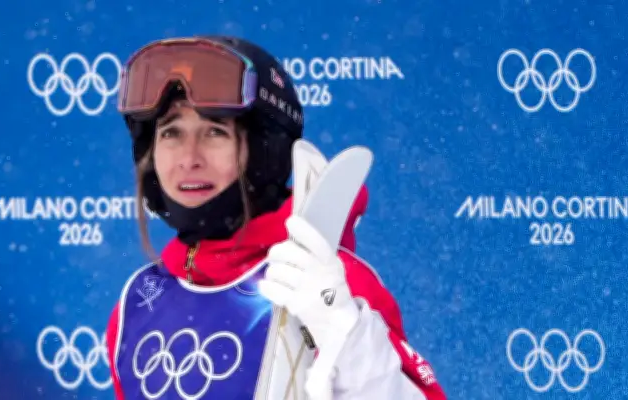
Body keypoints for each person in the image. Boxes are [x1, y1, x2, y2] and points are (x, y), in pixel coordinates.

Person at [105, 35, 447, 400]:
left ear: (263, 152)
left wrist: (346, 333)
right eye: (171, 133)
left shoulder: (327, 280)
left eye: (215, 132)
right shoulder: (137, 303)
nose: (189, 158)